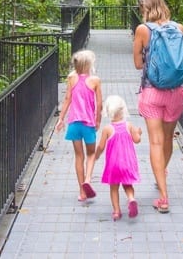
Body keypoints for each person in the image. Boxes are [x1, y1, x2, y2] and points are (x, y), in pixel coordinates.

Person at [133, 0, 183, 213]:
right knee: (168, 139)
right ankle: (161, 172)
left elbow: (138, 64)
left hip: (152, 92)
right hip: (176, 92)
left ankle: (163, 197)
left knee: (155, 142)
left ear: (144, 8)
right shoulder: (179, 28)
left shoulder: (143, 30)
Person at [55, 49, 103, 201]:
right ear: (89, 65)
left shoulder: (71, 78)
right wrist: (98, 121)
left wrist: (61, 119)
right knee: (91, 154)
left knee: (78, 156)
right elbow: (99, 104)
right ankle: (88, 179)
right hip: (88, 123)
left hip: (74, 123)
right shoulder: (95, 80)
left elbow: (67, 99)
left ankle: (82, 191)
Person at [94, 95, 142, 220]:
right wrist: (139, 133)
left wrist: (96, 155)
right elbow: (137, 140)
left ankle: (116, 211)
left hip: (113, 165)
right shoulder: (129, 125)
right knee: (128, 185)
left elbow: (101, 146)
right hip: (128, 163)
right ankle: (131, 199)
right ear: (123, 110)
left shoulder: (107, 129)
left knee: (114, 188)